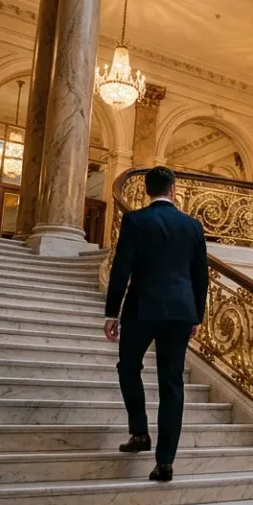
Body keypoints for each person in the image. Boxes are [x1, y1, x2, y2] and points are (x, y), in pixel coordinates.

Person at [104, 166, 208, 482]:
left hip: (141, 309)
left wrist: (112, 313)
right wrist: (197, 316)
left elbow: (121, 268)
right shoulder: (192, 226)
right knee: (171, 384)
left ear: (147, 191)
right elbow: (200, 275)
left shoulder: (136, 220)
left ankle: (139, 433)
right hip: (179, 312)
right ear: (173, 189)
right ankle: (165, 463)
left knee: (128, 367)